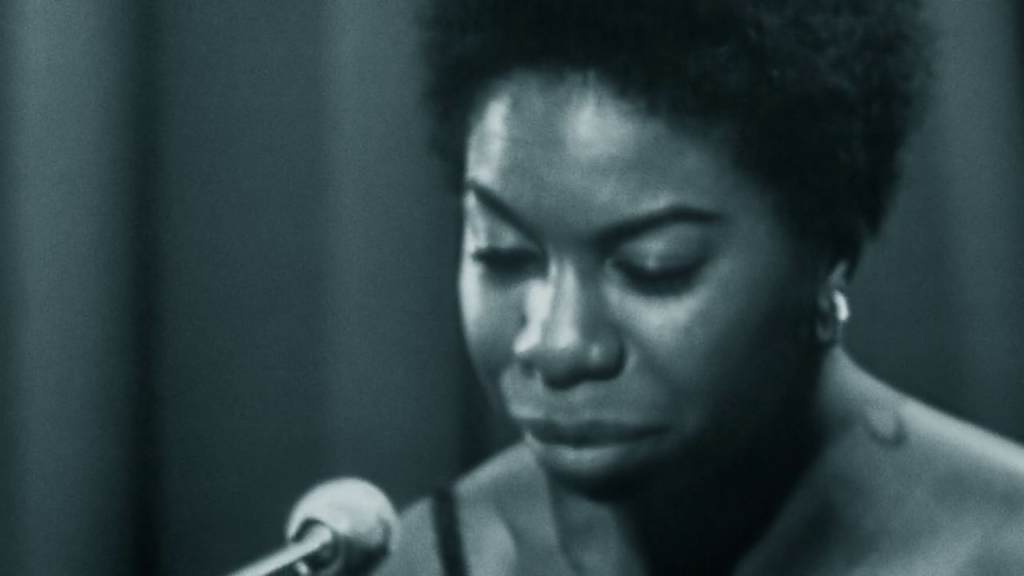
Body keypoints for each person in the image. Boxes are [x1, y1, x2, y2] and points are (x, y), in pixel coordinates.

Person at [378, 0, 1024, 574]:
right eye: (502, 254)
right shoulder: (431, 557)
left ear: (830, 254)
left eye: (654, 267)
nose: (557, 344)